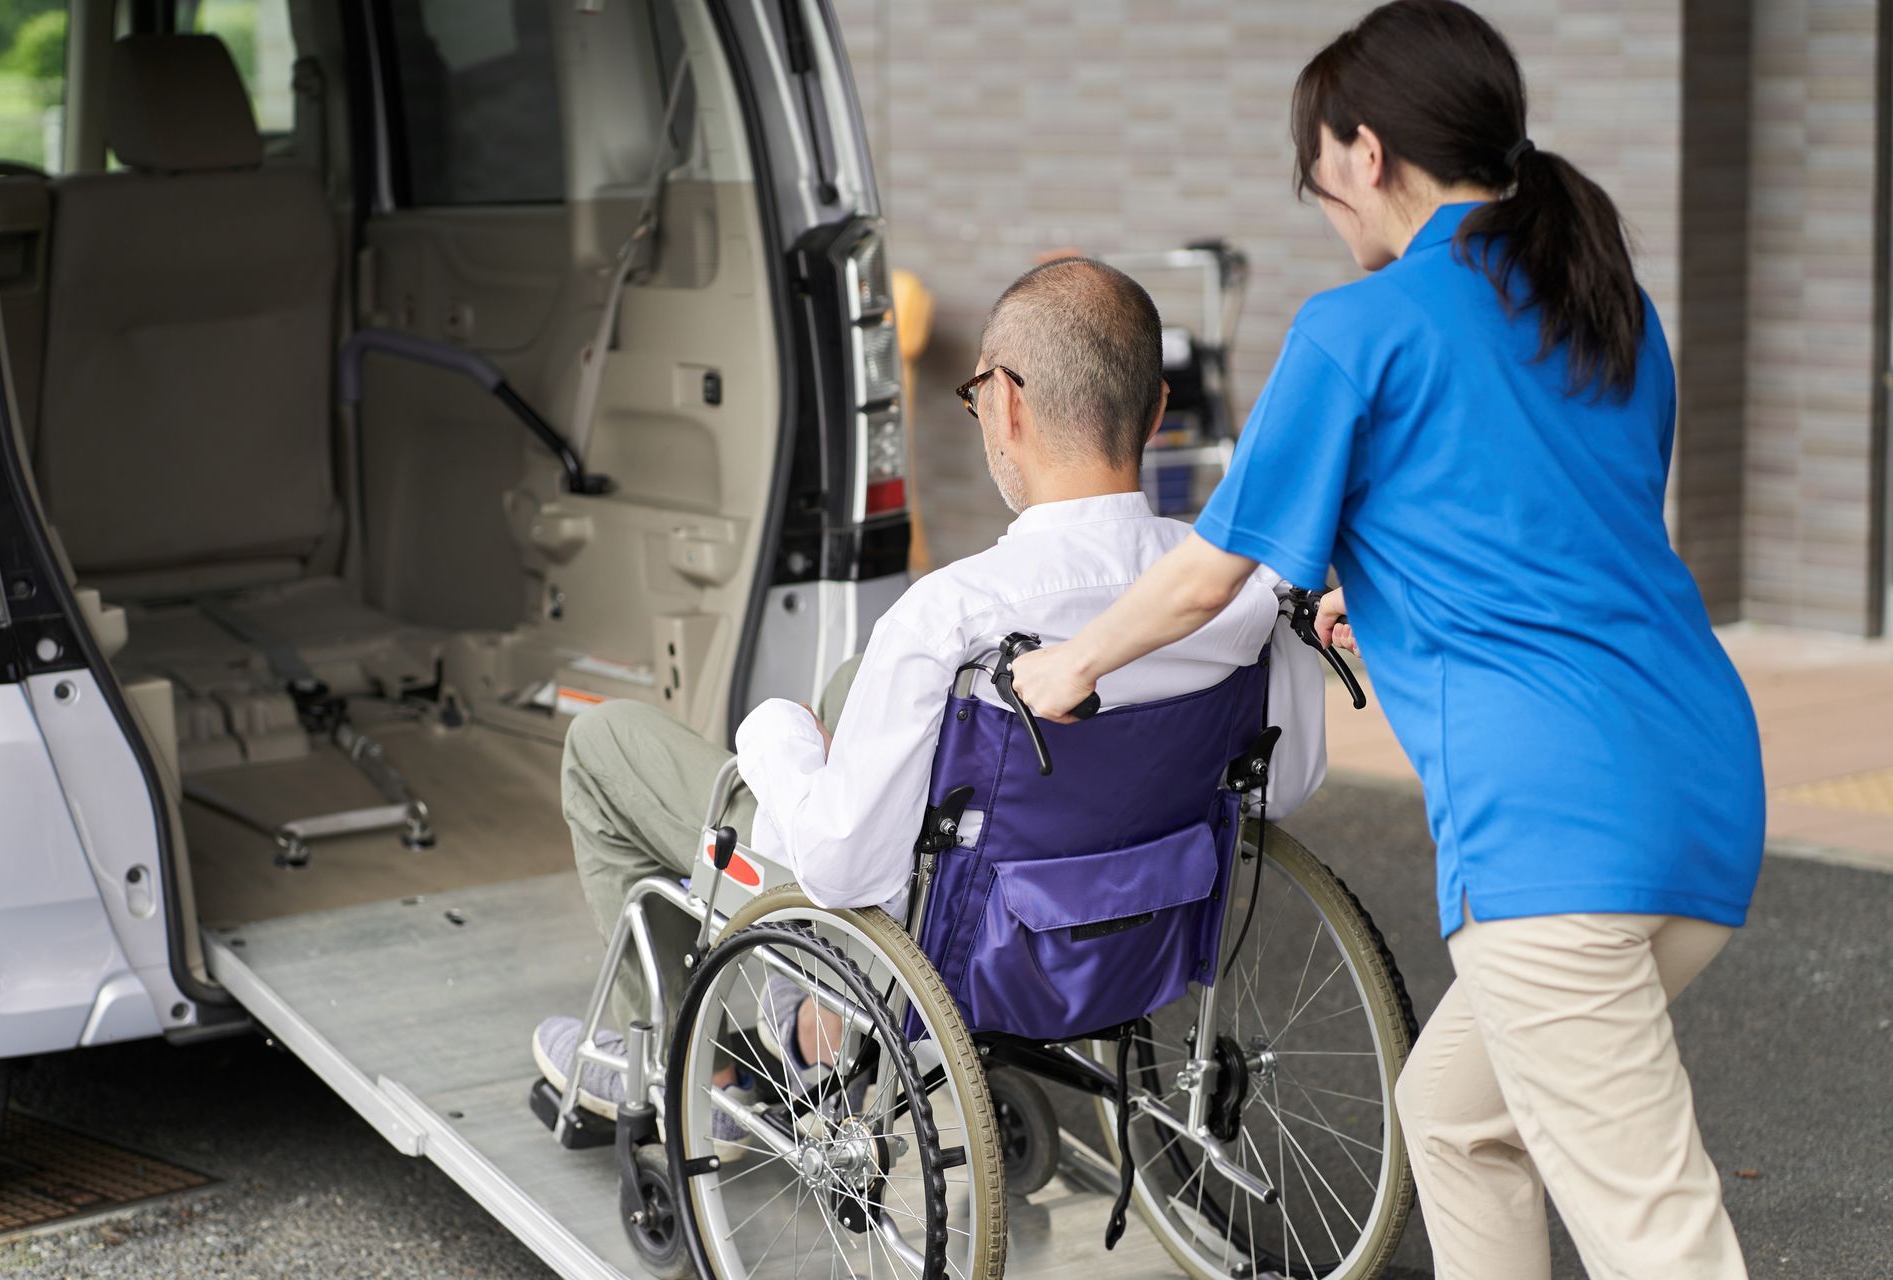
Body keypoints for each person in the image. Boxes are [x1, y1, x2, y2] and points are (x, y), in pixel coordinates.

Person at [1011, 4, 1760, 1278]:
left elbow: (1204, 578)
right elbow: (1558, 534)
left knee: (1658, 1233)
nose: (1327, 213)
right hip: (1701, 786)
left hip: (1552, 839)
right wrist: (1398, 591)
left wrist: (1070, 665)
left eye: (1317, 179)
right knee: (1455, 1118)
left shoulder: (1359, 328)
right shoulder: (1606, 304)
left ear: (1364, 152)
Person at [535, 257, 1329, 1126]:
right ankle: (794, 1021)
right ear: (1156, 411)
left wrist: (775, 738)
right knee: (852, 686)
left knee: (605, 744)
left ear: (1005, 404)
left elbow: (844, 866)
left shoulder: (954, 614)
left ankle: (705, 1074)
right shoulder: (1244, 593)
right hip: (1133, 921)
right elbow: (1278, 789)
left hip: (936, 942)